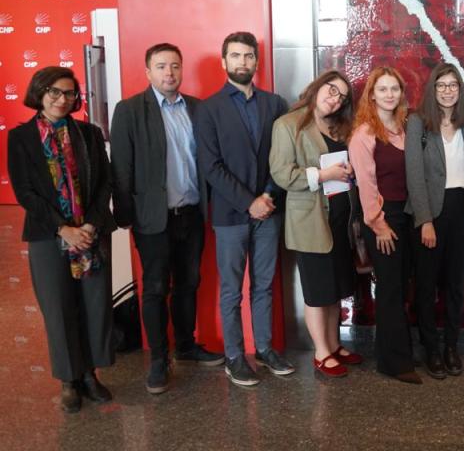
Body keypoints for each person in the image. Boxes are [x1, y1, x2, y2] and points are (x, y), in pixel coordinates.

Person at [109, 43, 223, 396]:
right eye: (161, 66)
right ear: (148, 71)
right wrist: (125, 216)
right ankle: (159, 359)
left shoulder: (197, 108)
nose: (169, 73)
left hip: (191, 213)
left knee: (189, 282)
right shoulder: (129, 110)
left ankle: (186, 346)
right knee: (156, 288)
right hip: (152, 218)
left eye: (174, 65)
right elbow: (121, 168)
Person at [8, 66, 115, 412]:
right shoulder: (20, 138)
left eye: (69, 93)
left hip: (91, 233)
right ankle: (69, 380)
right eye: (54, 92)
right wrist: (63, 228)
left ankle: (90, 374)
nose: (62, 99)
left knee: (94, 306)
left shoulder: (89, 133)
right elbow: (25, 192)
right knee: (59, 308)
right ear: (39, 93)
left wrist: (90, 225)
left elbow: (105, 183)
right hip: (48, 235)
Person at [194, 31, 292, 387]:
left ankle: (264, 349)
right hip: (230, 214)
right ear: (224, 62)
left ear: (256, 61)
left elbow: (282, 157)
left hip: (269, 209)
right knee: (232, 290)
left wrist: (267, 196)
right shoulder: (208, 109)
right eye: (235, 56)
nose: (243, 62)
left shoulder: (275, 104)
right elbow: (211, 166)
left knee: (264, 285)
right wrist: (249, 202)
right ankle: (235, 356)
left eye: (249, 55)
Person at [269, 70, 363, 378]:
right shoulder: (288, 125)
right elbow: (282, 174)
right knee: (318, 289)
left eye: (342, 97)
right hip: (310, 221)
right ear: (318, 86)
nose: (335, 100)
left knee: (337, 287)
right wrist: (323, 175)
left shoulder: (339, 128)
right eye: (332, 90)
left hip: (341, 220)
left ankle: (334, 344)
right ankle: (321, 352)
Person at [349, 67, 420, 384]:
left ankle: (394, 353)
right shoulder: (364, 134)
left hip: (406, 216)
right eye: (383, 89)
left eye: (394, 88)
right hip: (382, 217)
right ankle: (394, 364)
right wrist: (378, 224)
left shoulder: (405, 128)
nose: (389, 94)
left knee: (401, 286)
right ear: (372, 95)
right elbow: (365, 185)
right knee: (390, 289)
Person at [405, 64, 464, 380]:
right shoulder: (418, 122)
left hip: (463, 210)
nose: (447, 91)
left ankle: (451, 347)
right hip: (430, 211)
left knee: (456, 285)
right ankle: (431, 349)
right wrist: (425, 220)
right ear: (432, 89)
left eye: (453, 85)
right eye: (441, 85)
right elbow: (414, 174)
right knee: (426, 285)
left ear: (460, 90)